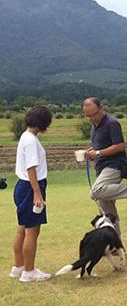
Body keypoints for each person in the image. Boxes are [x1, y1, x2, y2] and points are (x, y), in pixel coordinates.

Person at [83, 97, 127, 236]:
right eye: (88, 116)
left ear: (101, 109)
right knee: (108, 212)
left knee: (95, 191)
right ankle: (116, 245)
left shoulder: (112, 123)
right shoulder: (94, 128)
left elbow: (120, 146)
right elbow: (102, 146)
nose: (92, 118)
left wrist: (97, 153)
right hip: (101, 168)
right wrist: (91, 151)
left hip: (114, 166)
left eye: (94, 114)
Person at [10, 105, 53, 282]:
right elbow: (31, 168)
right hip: (31, 188)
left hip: (22, 187)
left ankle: (18, 267)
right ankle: (29, 272)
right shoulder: (31, 141)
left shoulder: (25, 136)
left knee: (22, 228)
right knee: (32, 231)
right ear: (43, 122)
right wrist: (37, 193)